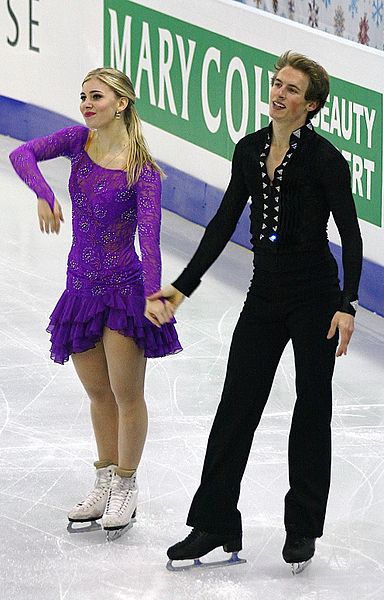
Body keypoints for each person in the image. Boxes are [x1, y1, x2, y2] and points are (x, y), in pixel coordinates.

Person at [145, 51, 362, 568]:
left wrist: (346, 302)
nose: (278, 93)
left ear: (310, 106)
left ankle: (303, 526)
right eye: (277, 84)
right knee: (236, 405)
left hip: (315, 299)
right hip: (264, 293)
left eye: (291, 89)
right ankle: (214, 523)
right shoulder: (248, 150)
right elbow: (223, 221)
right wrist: (181, 287)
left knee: (311, 409)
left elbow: (350, 235)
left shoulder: (326, 160)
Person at [9, 67, 181, 535]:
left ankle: (126, 485)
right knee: (98, 393)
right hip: (80, 290)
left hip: (123, 294)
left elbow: (151, 240)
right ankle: (104, 480)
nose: (86, 104)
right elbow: (21, 153)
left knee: (127, 395)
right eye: (83, 96)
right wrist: (44, 194)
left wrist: (152, 293)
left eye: (96, 97)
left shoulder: (143, 173)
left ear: (121, 104)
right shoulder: (76, 142)